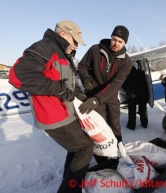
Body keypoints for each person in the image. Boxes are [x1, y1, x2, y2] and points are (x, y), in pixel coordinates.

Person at [8, 20, 93, 193]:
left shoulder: (63, 54)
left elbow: (69, 83)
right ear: (63, 33)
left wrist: (81, 96)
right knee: (85, 148)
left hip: (66, 112)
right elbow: (17, 76)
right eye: (74, 40)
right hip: (54, 115)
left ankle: (70, 182)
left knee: (76, 148)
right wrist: (60, 90)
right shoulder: (45, 47)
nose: (76, 45)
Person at [77, 25, 132, 162]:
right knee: (99, 128)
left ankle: (118, 155)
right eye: (114, 39)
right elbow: (82, 66)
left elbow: (116, 83)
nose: (116, 43)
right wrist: (86, 78)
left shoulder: (126, 61)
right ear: (111, 37)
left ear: (125, 43)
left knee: (115, 126)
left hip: (110, 97)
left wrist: (97, 99)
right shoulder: (96, 50)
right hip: (93, 94)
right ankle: (101, 159)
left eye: (120, 41)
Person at [122, 61, 149, 130]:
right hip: (142, 94)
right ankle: (144, 123)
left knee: (132, 110)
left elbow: (124, 85)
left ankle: (131, 125)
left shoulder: (127, 74)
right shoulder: (141, 72)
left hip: (132, 95)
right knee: (143, 109)